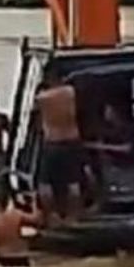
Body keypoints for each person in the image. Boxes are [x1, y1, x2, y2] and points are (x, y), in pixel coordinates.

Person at [34, 73, 85, 225]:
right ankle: (74, 217)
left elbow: (37, 122)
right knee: (74, 182)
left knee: (45, 184)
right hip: (72, 141)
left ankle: (52, 216)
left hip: (52, 143)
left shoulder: (42, 98)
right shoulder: (70, 92)